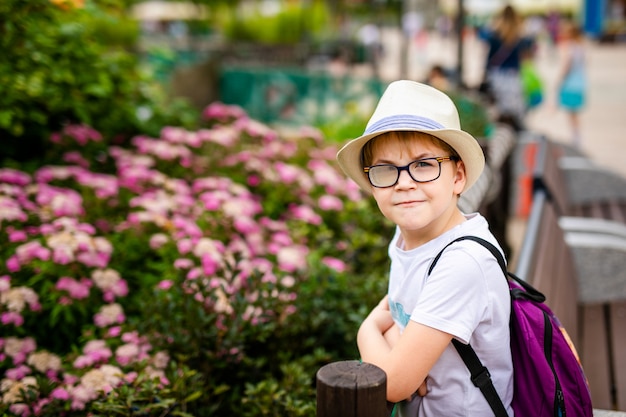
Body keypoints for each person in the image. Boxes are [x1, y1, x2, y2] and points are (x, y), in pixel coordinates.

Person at [336, 80, 513, 416]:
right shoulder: (407, 237)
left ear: (458, 176)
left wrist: (368, 330)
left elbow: (393, 383)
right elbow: (398, 308)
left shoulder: (462, 262)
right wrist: (396, 356)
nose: (404, 182)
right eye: (386, 169)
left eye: (423, 165)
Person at [478, 5, 534, 130]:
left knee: (497, 109)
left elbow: (488, 56)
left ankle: (500, 132)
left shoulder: (495, 34)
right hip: (513, 76)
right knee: (516, 109)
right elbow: (528, 55)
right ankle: (515, 131)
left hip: (496, 76)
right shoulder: (520, 37)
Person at [557, 21, 587, 149]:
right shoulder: (581, 47)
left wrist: (559, 81)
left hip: (570, 83)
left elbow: (566, 67)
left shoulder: (570, 48)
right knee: (575, 113)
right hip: (580, 83)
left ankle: (575, 138)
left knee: (571, 113)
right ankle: (576, 136)